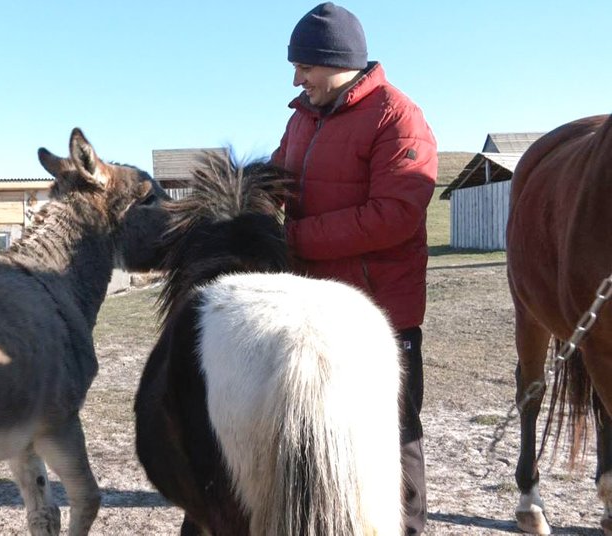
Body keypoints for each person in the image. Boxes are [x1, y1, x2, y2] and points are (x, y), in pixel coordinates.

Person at [270, 3, 438, 534]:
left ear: (337, 60)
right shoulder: (301, 118)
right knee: (314, 429)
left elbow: (394, 216)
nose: (297, 78)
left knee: (390, 437)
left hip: (379, 314)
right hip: (311, 310)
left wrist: (293, 239)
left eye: (305, 66)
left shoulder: (397, 116)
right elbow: (275, 182)